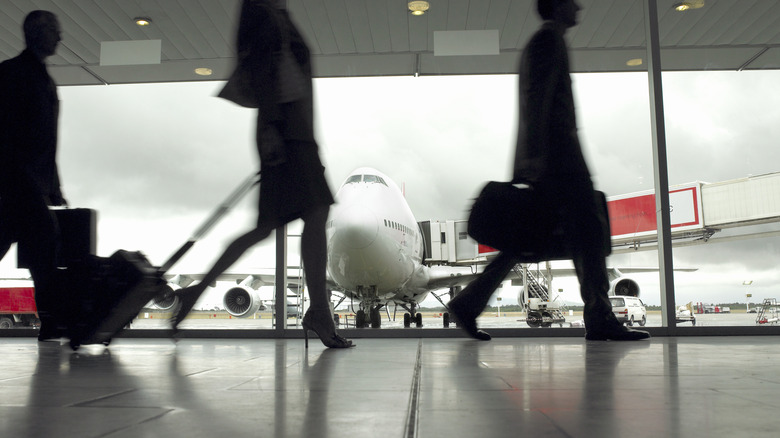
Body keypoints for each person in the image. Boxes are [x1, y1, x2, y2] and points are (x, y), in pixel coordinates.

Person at [449, 0, 649, 342]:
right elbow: (538, 102)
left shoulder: (543, 42)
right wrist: (536, 161)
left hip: (553, 161)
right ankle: (599, 318)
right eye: (572, 2)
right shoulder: (547, 42)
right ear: (557, 7)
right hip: (560, 162)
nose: (580, 7)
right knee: (589, 233)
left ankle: (468, 303)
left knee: (528, 241)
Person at [170, 0, 353, 348]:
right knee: (309, 217)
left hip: (295, 133)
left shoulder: (274, 13)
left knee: (275, 225)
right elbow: (266, 70)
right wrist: (272, 129)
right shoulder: (262, 12)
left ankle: (195, 292)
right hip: (286, 132)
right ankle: (319, 312)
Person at [0, 10, 67, 341]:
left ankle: (51, 323)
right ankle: (51, 323)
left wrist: (54, 187)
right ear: (37, 33)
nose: (61, 37)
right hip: (16, 182)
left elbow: (46, 142)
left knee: (42, 249)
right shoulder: (16, 76)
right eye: (55, 30)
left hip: (25, 183)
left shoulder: (31, 77)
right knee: (44, 248)